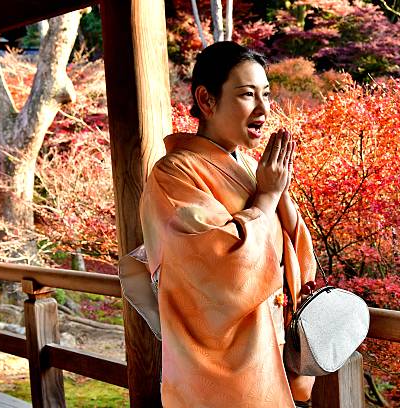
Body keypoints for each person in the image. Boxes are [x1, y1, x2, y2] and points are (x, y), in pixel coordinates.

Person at [140, 41, 317, 407]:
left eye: (267, 94)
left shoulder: (253, 171)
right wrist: (267, 198)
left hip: (275, 354)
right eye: (247, 94)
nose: (264, 109)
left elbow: (297, 255)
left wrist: (277, 192)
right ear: (206, 100)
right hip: (220, 370)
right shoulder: (173, 174)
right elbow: (221, 269)